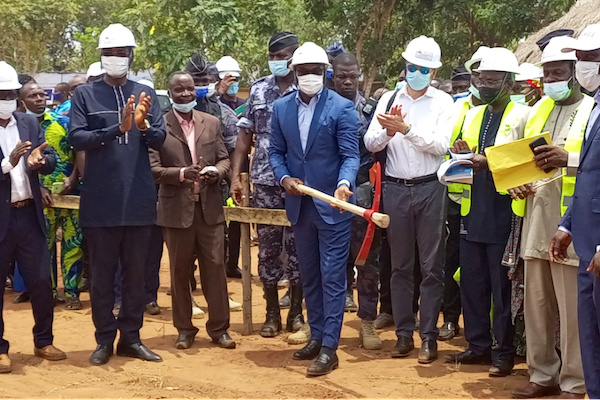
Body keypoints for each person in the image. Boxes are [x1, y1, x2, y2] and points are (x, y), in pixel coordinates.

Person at [69, 23, 166, 366]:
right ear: (101, 55)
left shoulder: (145, 93)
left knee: (136, 276)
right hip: (100, 202)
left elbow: (159, 140)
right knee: (102, 277)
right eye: (109, 53)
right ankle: (103, 340)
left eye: (121, 52)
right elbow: (76, 138)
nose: (116, 58)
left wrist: (141, 125)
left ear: (131, 55)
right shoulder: (84, 94)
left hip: (138, 200)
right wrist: (117, 129)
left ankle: (131, 338)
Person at [269, 41, 359, 376]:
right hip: (299, 206)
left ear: (326, 73)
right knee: (309, 275)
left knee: (333, 276)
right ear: (294, 73)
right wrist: (283, 178)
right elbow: (276, 152)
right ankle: (317, 335)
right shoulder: (281, 109)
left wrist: (345, 183)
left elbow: (351, 155)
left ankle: (330, 348)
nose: (310, 76)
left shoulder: (341, 108)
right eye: (304, 71)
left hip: (333, 206)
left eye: (316, 71)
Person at [364, 35, 453, 364]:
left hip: (431, 188)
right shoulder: (388, 98)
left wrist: (406, 128)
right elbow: (371, 142)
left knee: (431, 267)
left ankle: (428, 336)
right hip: (395, 188)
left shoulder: (443, 103)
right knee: (400, 265)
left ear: (433, 72)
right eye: (412, 66)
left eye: (423, 68)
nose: (416, 72)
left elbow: (440, 145)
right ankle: (404, 333)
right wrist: (388, 131)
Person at [511, 35, 590, 400]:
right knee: (538, 303)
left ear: (575, 74)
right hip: (536, 216)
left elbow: (593, 164)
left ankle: (575, 380)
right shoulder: (537, 110)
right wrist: (516, 183)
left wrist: (567, 160)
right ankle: (542, 373)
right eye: (546, 75)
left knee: (572, 306)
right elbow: (521, 162)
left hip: (573, 223)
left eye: (558, 73)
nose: (551, 81)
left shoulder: (592, 110)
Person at [446, 47, 530, 377]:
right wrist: (461, 156)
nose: (484, 85)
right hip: (472, 209)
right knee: (472, 282)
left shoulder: (523, 115)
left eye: (492, 80)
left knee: (502, 287)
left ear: (508, 82)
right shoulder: (471, 114)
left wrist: (488, 161)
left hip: (504, 211)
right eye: (481, 78)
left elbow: (526, 161)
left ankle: (503, 351)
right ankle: (477, 345)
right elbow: (458, 161)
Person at [149, 71, 235, 350]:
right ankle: (184, 329)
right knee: (179, 272)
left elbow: (225, 159)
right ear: (170, 93)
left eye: (189, 89)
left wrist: (217, 173)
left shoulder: (211, 122)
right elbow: (153, 170)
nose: (185, 94)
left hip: (209, 209)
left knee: (215, 269)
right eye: (179, 90)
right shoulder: (159, 127)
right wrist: (183, 174)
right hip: (176, 212)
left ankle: (219, 328)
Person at [230, 32, 304, 340]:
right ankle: (271, 313)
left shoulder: (309, 87)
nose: (276, 61)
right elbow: (245, 136)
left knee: (299, 246)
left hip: (300, 180)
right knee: (268, 249)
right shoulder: (259, 89)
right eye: (272, 56)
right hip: (263, 180)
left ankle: (297, 313)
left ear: (294, 57)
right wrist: (236, 175)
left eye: (282, 56)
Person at [0, 61, 65, 373]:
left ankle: (43, 341)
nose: (8, 99)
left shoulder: (27, 122)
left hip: (29, 215)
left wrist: (42, 162)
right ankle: (0, 350)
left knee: (41, 280)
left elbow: (49, 156)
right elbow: (9, 165)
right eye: (2, 94)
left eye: (11, 94)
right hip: (1, 219)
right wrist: (7, 163)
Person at [550, 23, 600, 400]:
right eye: (580, 58)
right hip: (585, 241)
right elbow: (588, 172)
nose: (584, 66)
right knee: (591, 335)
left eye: (591, 59)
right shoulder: (596, 108)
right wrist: (567, 223)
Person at [331, 52, 381, 350]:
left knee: (367, 260)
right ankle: (325, 325)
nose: (347, 81)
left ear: (360, 75)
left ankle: (367, 322)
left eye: (353, 76)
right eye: (341, 76)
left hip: (363, 194)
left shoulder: (372, 110)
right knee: (330, 262)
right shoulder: (323, 107)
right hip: (328, 194)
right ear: (332, 76)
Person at [19, 81, 85, 310]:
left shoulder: (63, 121)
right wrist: (39, 187)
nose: (39, 98)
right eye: (32, 95)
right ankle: (48, 293)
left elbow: (80, 151)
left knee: (73, 244)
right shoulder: (18, 127)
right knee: (43, 248)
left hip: (70, 194)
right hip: (39, 199)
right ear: (22, 101)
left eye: (41, 94)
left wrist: (73, 179)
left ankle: (72, 292)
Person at [185, 53, 221, 119]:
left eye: (205, 81)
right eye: (195, 81)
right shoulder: (174, 111)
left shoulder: (215, 108)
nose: (201, 85)